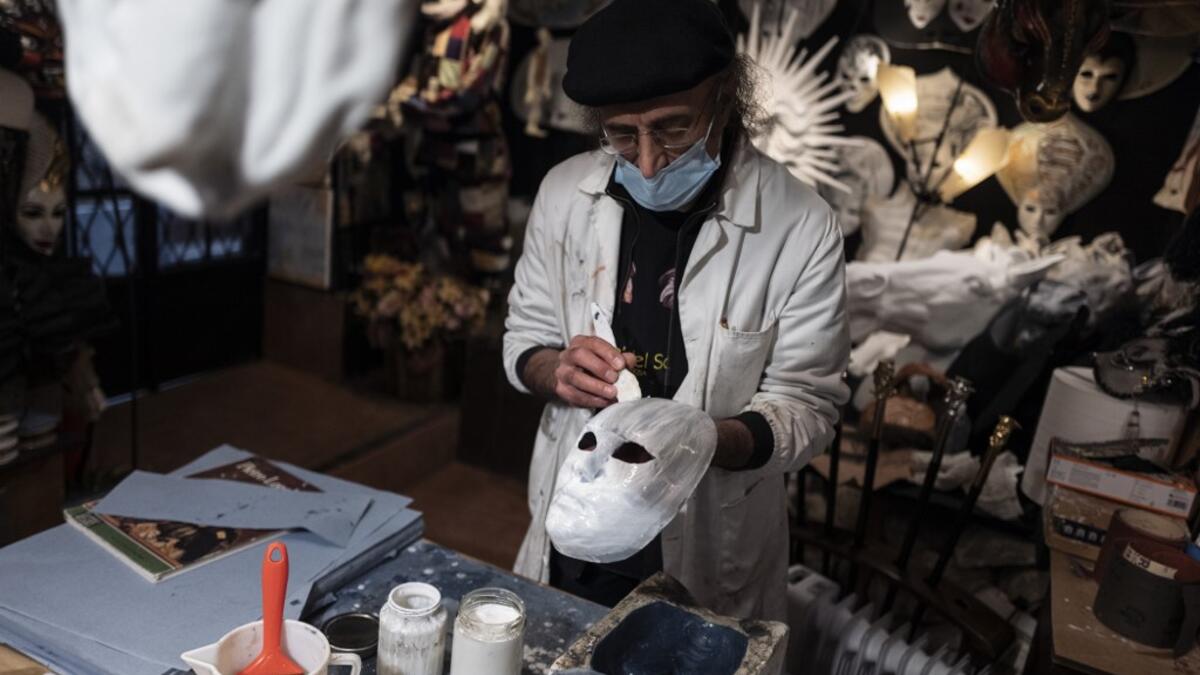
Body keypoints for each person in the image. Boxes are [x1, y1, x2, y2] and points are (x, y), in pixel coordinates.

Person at [502, 0, 849, 621]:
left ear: (727, 95)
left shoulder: (801, 226)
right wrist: (555, 369)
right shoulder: (564, 194)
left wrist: (706, 439)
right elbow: (523, 337)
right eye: (621, 134)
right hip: (580, 529)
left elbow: (808, 406)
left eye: (673, 127)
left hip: (707, 544)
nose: (648, 159)